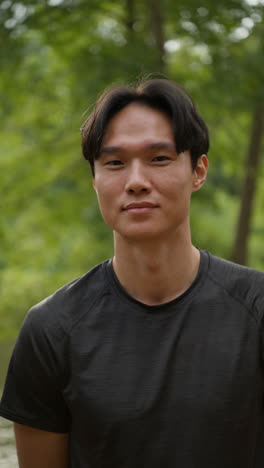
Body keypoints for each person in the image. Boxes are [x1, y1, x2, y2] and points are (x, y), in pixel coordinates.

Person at [0, 78, 264, 468]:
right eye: (115, 163)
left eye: (159, 158)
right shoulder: (52, 330)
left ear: (198, 171)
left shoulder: (256, 310)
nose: (136, 182)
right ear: (95, 179)